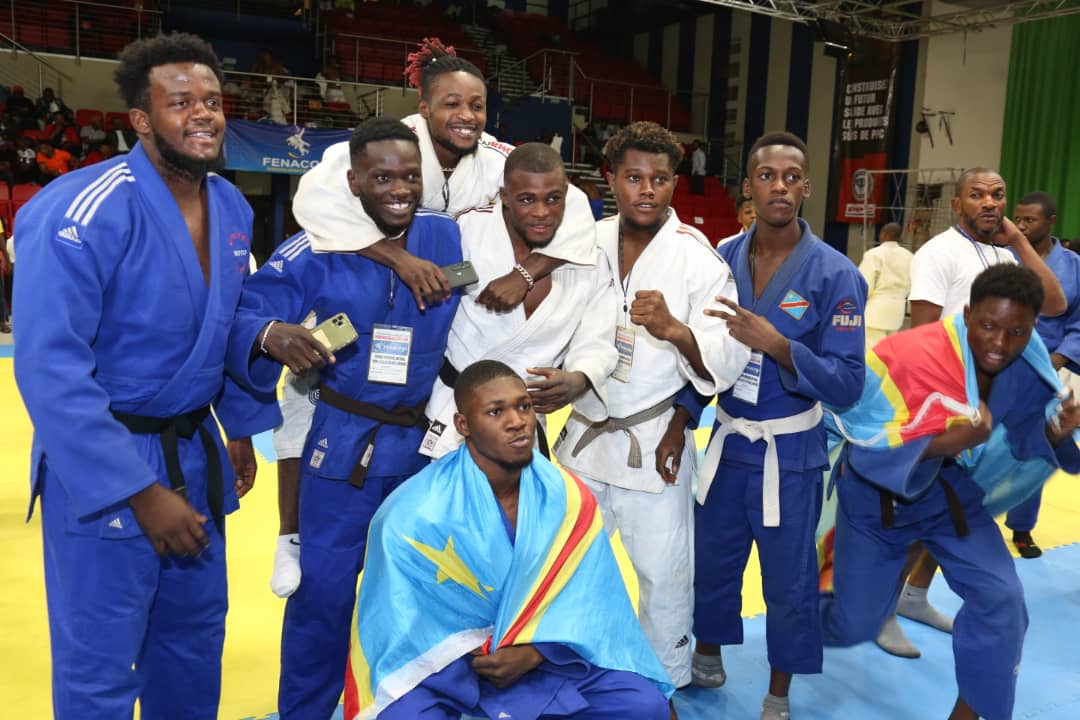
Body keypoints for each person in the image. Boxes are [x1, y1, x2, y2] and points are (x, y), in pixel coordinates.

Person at [12, 33, 297, 719]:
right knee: (101, 663)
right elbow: (50, 368)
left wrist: (238, 427)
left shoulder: (230, 205)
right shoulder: (80, 209)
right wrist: (138, 491)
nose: (204, 114)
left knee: (192, 645)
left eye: (212, 101)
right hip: (108, 460)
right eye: (181, 102)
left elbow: (221, 320)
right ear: (141, 119)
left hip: (194, 449)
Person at [268, 37, 597, 599]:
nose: (465, 115)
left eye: (476, 105)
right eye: (451, 104)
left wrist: (526, 273)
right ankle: (291, 534)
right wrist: (399, 257)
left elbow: (572, 206)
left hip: (433, 301)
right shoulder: (389, 144)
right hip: (367, 280)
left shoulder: (493, 158)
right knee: (308, 395)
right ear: (423, 107)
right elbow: (314, 203)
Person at [229, 116, 465, 719]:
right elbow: (247, 314)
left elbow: (492, 272)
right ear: (354, 182)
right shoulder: (314, 247)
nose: (399, 189)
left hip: (425, 447)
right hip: (342, 447)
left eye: (410, 176)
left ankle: (413, 708)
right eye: (382, 177)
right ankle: (305, 712)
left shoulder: (447, 235)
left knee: (424, 595)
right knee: (324, 595)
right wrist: (271, 332)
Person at [343, 360, 673, 720]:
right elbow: (393, 625)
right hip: (444, 668)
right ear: (463, 425)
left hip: (544, 657)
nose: (517, 421)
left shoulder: (566, 497)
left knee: (642, 705)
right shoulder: (413, 513)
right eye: (496, 411)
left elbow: (593, 603)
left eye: (524, 406)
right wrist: (469, 650)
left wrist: (535, 653)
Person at [821, 264, 1080, 720]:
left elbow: (1023, 430)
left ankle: (968, 714)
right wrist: (954, 440)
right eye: (988, 326)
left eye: (1017, 332)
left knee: (1003, 600)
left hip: (951, 498)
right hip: (876, 499)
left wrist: (1054, 431)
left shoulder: (1026, 360)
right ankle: (793, 624)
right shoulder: (911, 354)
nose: (1000, 343)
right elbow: (864, 441)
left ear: (1032, 328)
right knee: (854, 622)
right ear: (966, 313)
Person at [670, 131, 866, 720]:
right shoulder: (721, 257)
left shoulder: (835, 274)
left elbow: (848, 385)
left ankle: (779, 690)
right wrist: (681, 418)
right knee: (711, 560)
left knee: (788, 580)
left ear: (806, 188)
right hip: (728, 441)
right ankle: (707, 653)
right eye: (766, 176)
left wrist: (780, 346)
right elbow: (701, 353)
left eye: (791, 177)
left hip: (792, 451)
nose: (779, 186)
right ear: (748, 187)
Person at [554, 121, 751, 699]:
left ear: (674, 184)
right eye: (634, 177)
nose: (646, 190)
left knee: (664, 575)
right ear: (611, 179)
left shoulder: (698, 258)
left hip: (655, 438)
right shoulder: (583, 243)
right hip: (585, 436)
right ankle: (563, 665)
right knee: (564, 562)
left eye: (659, 179)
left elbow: (727, 355)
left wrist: (675, 330)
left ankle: (663, 682)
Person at [877, 168, 1067, 658]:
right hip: (946, 403)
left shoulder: (1005, 253)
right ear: (957, 203)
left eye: (997, 194)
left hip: (993, 401)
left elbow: (1055, 303)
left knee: (967, 507)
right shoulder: (938, 252)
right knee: (922, 511)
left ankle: (915, 595)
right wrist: (935, 409)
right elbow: (922, 333)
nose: (989, 202)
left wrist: (1017, 241)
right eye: (977, 194)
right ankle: (882, 610)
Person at [421, 142, 617, 461]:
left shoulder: (590, 261)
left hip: (525, 426)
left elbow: (598, 337)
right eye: (526, 199)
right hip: (455, 413)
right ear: (505, 196)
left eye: (553, 199)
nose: (541, 212)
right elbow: (429, 311)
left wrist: (580, 377)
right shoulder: (466, 231)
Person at [1003, 192, 1080, 558]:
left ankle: (1022, 527)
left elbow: (1079, 320)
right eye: (1017, 219)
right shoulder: (1004, 257)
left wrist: (1059, 357)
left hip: (1048, 367)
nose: (1020, 226)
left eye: (1030, 220)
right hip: (998, 362)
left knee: (1037, 449)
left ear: (1051, 221)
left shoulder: (1074, 266)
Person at [859, 221, 913, 348]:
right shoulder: (909, 256)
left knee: (872, 350)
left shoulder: (873, 254)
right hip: (897, 309)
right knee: (890, 350)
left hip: (875, 309)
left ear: (884, 234)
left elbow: (865, 285)